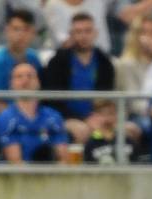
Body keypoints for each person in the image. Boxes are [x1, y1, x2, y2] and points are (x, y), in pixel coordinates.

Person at [42, 13, 116, 142]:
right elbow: (53, 100)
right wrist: (81, 119)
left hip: (96, 116)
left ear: (95, 33)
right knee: (83, 131)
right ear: (71, 34)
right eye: (78, 31)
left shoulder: (105, 62)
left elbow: (106, 98)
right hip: (64, 117)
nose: (83, 36)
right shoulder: (58, 62)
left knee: (126, 130)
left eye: (87, 31)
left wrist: (100, 117)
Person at [0, 63, 70, 163]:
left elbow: (63, 158)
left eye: (30, 76)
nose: (25, 81)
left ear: (38, 82)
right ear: (11, 84)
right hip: (20, 176)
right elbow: (16, 162)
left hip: (52, 175)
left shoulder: (53, 116)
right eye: (19, 77)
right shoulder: (5, 118)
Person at [0, 10, 44, 118]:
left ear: (33, 33)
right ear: (7, 31)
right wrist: (23, 115)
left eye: (26, 29)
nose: (21, 34)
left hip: (29, 115)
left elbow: (36, 95)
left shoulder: (34, 58)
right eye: (16, 29)